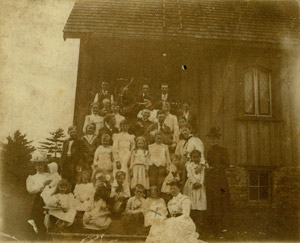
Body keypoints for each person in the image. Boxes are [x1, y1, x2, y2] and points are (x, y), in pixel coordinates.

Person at [205, 127, 230, 235]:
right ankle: (213, 225)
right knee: (211, 199)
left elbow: (226, 164)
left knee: (221, 199)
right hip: (211, 178)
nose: (213, 141)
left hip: (220, 179)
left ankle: (222, 225)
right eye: (211, 139)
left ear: (218, 140)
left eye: (215, 139)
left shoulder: (223, 150)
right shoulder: (209, 151)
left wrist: (215, 168)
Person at [26, 154, 50, 236]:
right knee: (37, 219)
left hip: (49, 197)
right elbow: (30, 190)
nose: (40, 166)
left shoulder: (48, 175)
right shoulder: (32, 177)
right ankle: (39, 236)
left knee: (47, 218)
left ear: (44, 164)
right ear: (35, 165)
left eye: (41, 164)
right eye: (37, 164)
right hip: (37, 199)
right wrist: (42, 185)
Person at [183, 150, 207, 232]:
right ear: (191, 158)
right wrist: (194, 182)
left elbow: (203, 175)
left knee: (199, 204)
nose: (196, 159)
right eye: (194, 157)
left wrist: (200, 183)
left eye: (197, 157)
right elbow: (189, 174)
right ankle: (191, 224)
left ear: (200, 157)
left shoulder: (202, 167)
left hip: (200, 187)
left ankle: (199, 224)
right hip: (191, 186)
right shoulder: (189, 165)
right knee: (191, 204)